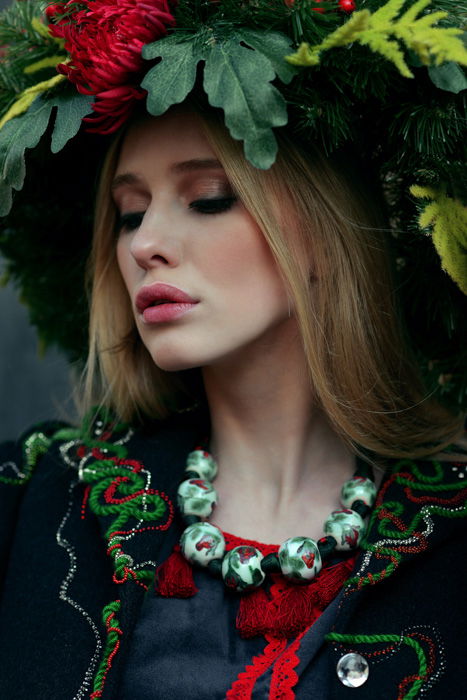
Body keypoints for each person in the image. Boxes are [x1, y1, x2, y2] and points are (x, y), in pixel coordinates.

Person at [0, 1, 466, 698]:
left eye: (209, 197)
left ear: (325, 224)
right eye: (129, 212)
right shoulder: (37, 500)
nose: (143, 243)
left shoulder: (452, 531)